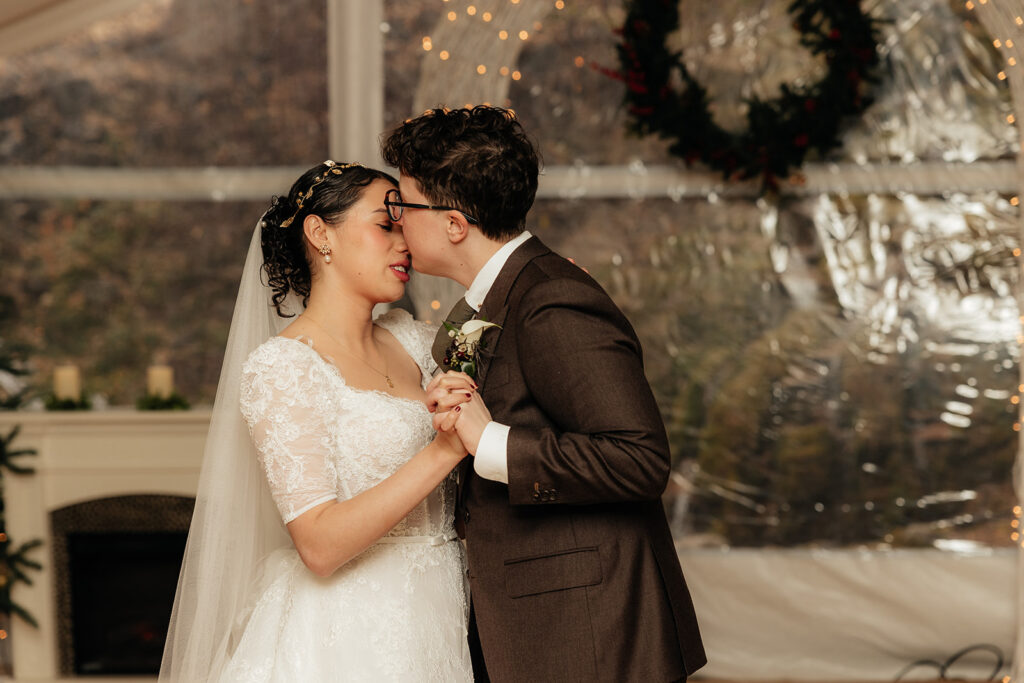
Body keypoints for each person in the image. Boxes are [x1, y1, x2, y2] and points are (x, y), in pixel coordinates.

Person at [381, 106, 707, 682]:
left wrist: (490, 442)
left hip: (587, 626)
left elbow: (639, 459)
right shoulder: (499, 298)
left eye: (402, 205)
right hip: (536, 616)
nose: (397, 222)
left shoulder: (552, 300)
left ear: (454, 224)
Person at [159, 161, 473, 682]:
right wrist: (442, 452)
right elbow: (320, 546)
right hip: (345, 635)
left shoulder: (417, 340)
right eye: (385, 224)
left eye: (405, 225)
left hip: (441, 615)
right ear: (320, 233)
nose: (406, 244)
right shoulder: (284, 369)